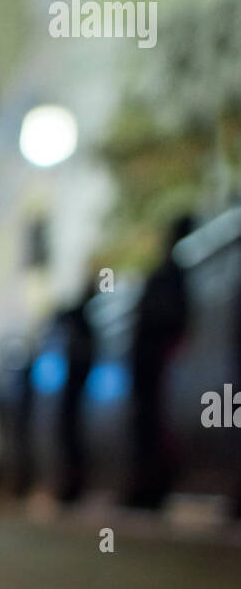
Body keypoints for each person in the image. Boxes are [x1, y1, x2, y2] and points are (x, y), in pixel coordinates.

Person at [124, 215, 194, 509]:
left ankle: (153, 486)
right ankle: (150, 485)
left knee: (154, 424)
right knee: (151, 423)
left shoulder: (167, 275)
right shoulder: (170, 275)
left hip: (154, 365)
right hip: (153, 365)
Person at [55, 276, 97, 503]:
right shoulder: (75, 317)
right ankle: (69, 482)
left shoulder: (85, 319)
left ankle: (75, 483)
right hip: (74, 388)